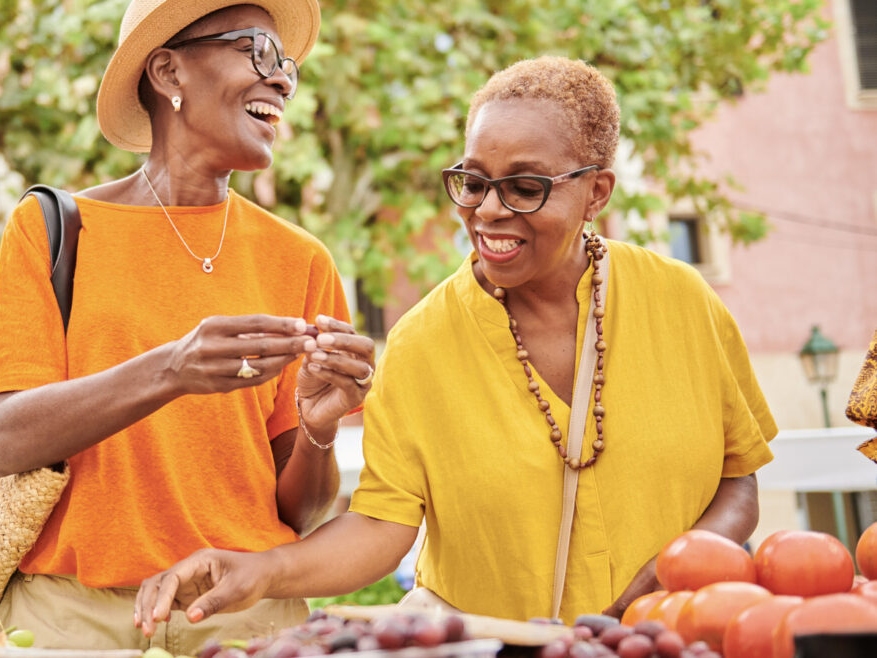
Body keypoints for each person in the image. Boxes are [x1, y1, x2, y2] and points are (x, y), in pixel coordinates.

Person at [133, 56, 777, 631]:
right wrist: (261, 572)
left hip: (684, 639)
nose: (489, 210)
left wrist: (678, 569)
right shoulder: (420, 343)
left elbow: (737, 477)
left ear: (596, 193)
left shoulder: (683, 301)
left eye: (526, 187)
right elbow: (383, 525)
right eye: (472, 182)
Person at [0, 0, 375, 652]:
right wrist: (172, 369)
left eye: (288, 66)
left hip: (242, 617)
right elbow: (4, 439)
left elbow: (296, 513)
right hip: (71, 622)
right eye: (257, 51)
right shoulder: (53, 230)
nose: (282, 80)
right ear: (168, 72)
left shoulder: (300, 260)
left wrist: (321, 432)